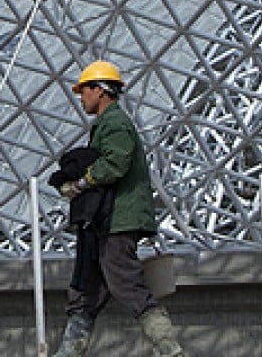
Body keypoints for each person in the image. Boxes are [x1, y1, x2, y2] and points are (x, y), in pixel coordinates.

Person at [51, 60, 185, 357]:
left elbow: (116, 163)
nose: (81, 96)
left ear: (100, 91)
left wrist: (80, 184)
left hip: (119, 219)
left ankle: (171, 351)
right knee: (86, 292)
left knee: (126, 284)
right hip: (106, 221)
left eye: (84, 90)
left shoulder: (115, 124)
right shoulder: (106, 125)